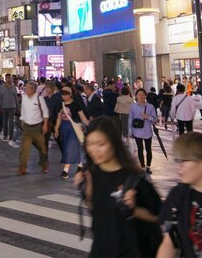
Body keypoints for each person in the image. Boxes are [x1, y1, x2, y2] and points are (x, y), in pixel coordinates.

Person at [74, 117, 162, 257]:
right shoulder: (91, 174)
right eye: (90, 143)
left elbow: (159, 217)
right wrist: (88, 193)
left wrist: (133, 208)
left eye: (101, 144)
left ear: (114, 143)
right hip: (101, 249)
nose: (94, 149)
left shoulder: (134, 179)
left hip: (131, 251)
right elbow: (100, 213)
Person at [52, 85, 88, 179]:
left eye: (65, 94)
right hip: (64, 128)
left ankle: (65, 170)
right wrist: (56, 129)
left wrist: (88, 124)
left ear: (70, 94)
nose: (63, 96)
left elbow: (82, 116)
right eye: (62, 94)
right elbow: (59, 117)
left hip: (74, 128)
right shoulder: (61, 104)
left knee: (69, 148)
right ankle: (80, 165)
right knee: (67, 148)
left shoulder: (76, 104)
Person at [18, 81, 49, 175]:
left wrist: (45, 125)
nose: (25, 89)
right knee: (24, 148)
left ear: (33, 89)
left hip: (38, 126)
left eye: (27, 88)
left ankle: (44, 164)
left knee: (42, 147)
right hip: (27, 126)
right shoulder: (24, 98)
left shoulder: (39, 98)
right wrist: (22, 122)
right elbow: (23, 112)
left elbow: (45, 112)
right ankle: (22, 167)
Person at [130, 88, 159, 174]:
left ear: (146, 96)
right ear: (136, 96)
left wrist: (148, 117)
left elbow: (155, 119)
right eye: (139, 95)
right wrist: (130, 131)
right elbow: (130, 119)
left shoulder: (150, 107)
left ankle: (148, 166)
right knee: (140, 149)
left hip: (147, 131)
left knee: (148, 149)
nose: (141, 96)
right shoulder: (133, 107)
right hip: (137, 131)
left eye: (143, 95)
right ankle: (142, 166)